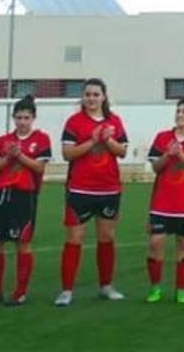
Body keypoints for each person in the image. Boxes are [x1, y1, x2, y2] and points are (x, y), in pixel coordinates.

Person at [55, 78, 129, 307]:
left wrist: (108, 140)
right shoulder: (74, 122)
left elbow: (122, 151)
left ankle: (106, 286)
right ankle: (67, 290)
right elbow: (68, 154)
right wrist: (92, 140)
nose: (91, 98)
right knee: (74, 239)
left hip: (108, 188)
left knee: (106, 237)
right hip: (80, 189)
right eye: (87, 94)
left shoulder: (114, 121)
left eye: (96, 94)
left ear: (104, 97)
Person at [0, 95, 52, 306]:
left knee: (22, 242)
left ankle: (20, 292)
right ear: (13, 118)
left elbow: (39, 167)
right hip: (1, 194)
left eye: (26, 117)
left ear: (33, 118)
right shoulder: (3, 141)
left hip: (24, 195)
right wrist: (8, 157)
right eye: (18, 117)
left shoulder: (41, 139)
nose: (22, 121)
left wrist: (19, 156)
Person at [145, 99, 184, 304]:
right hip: (162, 202)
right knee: (155, 243)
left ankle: (181, 290)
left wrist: (180, 154)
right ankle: (155, 288)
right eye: (178, 111)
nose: (180, 114)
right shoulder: (162, 137)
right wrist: (167, 154)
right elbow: (156, 168)